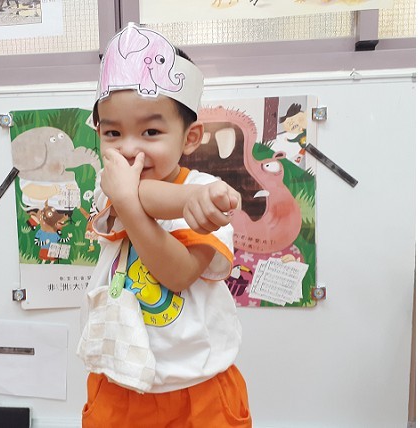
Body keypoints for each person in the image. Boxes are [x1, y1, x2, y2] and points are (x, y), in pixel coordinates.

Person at [78, 23, 252, 427]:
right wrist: (177, 201)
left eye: (151, 131)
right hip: (118, 387)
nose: (129, 147)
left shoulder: (206, 193)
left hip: (200, 391)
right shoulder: (111, 187)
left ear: (190, 137)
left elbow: (178, 273)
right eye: (113, 132)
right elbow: (140, 196)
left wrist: (191, 198)